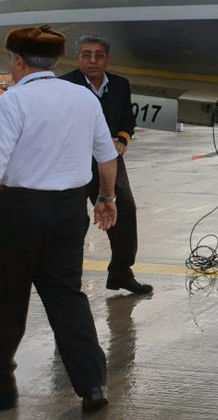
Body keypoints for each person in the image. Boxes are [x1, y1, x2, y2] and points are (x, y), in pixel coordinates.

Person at [0, 26, 119, 413]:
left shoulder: (12, 101)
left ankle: (2, 387)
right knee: (67, 297)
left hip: (19, 210)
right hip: (69, 211)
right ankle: (93, 385)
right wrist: (106, 197)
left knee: (7, 297)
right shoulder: (83, 97)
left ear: (18, 61)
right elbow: (107, 155)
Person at [61, 36, 152, 295]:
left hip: (109, 158)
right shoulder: (65, 85)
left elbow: (127, 119)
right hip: (74, 160)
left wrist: (123, 139)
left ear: (107, 59)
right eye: (86, 55)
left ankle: (121, 272)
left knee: (124, 211)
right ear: (78, 58)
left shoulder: (120, 85)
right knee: (73, 219)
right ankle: (67, 277)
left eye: (99, 55)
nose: (93, 60)